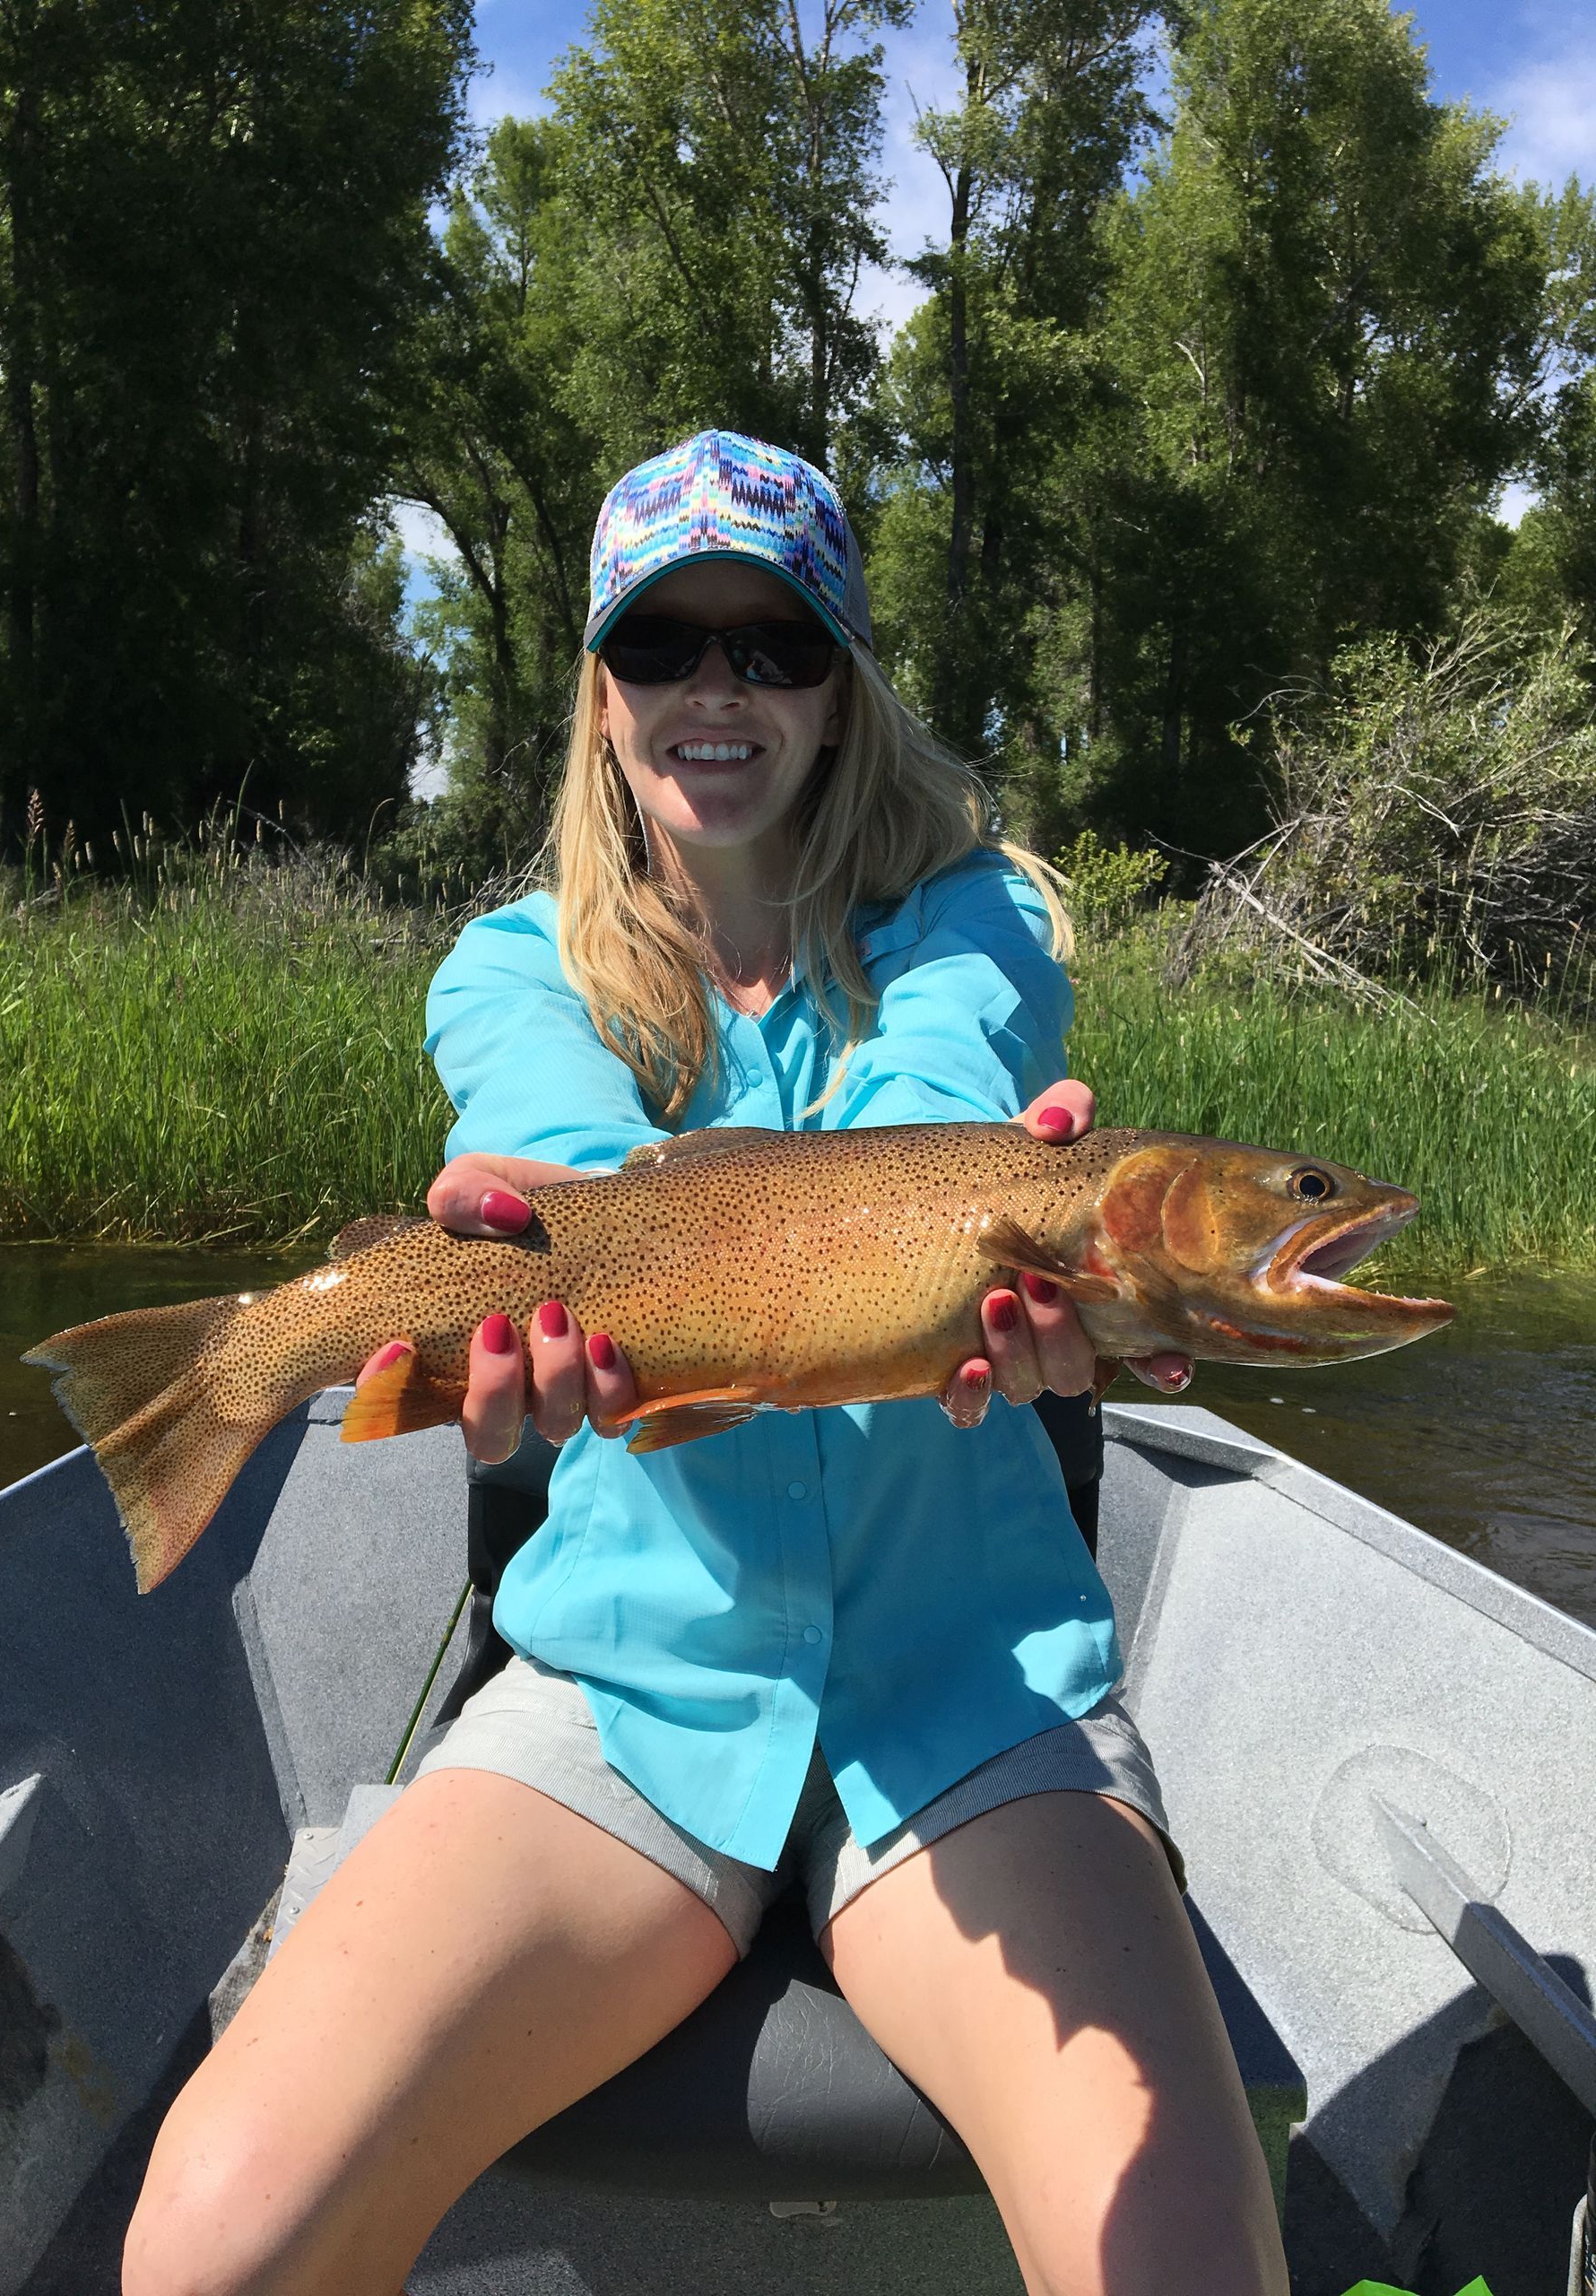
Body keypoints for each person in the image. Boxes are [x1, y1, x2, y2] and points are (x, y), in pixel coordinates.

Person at [124, 431, 1290, 2296]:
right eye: (668, 642)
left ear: (842, 691)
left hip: (968, 1689)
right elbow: (568, 1175)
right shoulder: (508, 968)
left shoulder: (981, 915)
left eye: (777, 643)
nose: (720, 687)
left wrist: (1063, 1265)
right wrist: (488, 1289)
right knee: (209, 2237)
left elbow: (936, 1104)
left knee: (1188, 2263)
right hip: (629, 1683)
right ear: (602, 694)